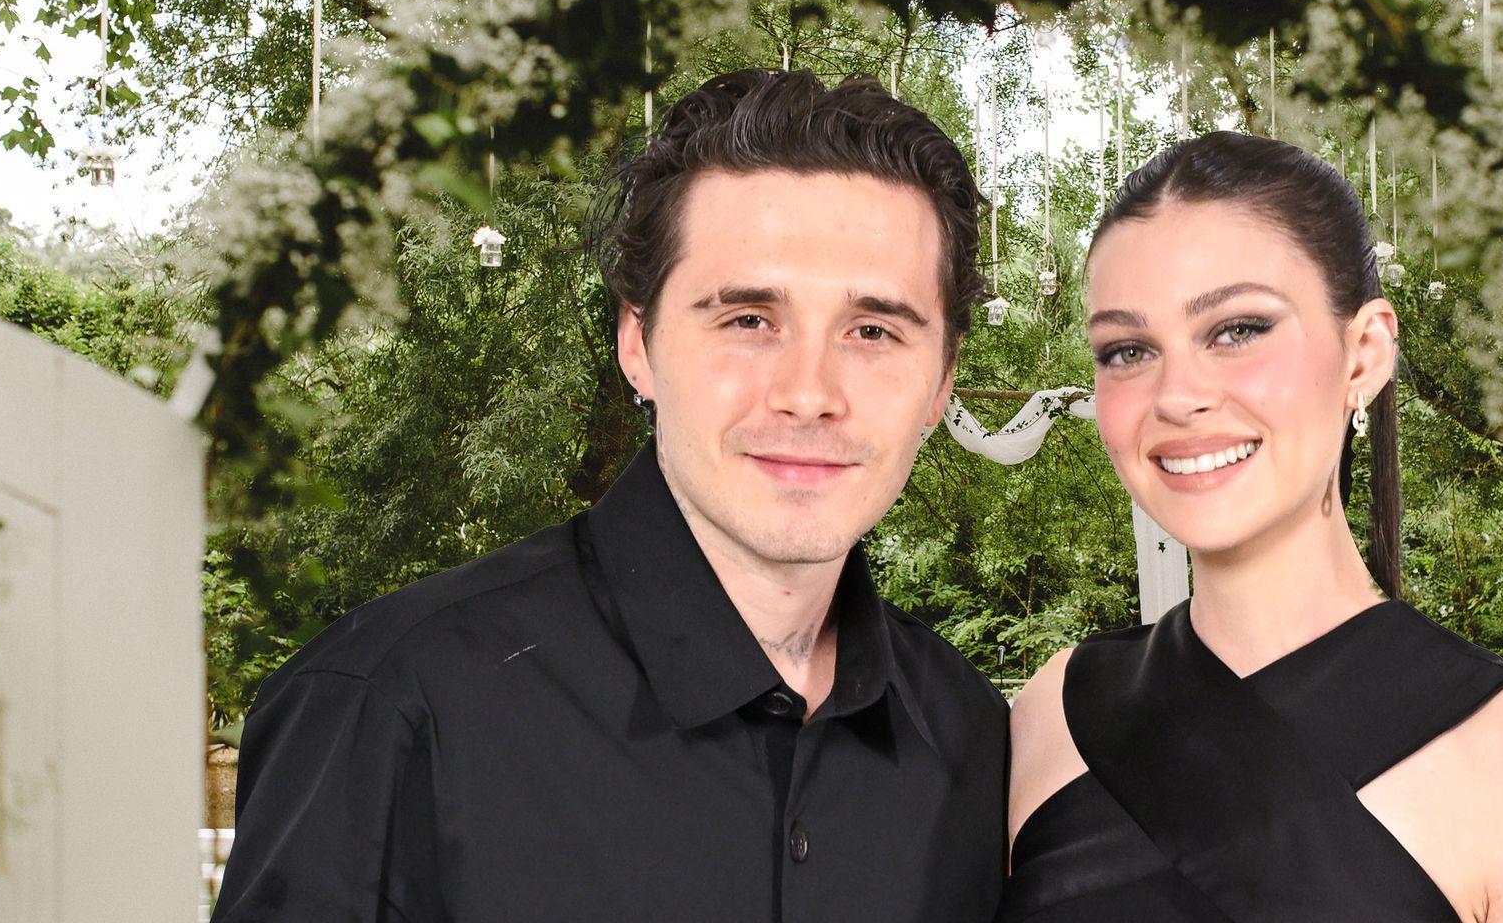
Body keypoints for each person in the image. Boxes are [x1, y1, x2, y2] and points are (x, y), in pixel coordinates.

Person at [213, 69, 1009, 922]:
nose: (808, 393)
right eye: (749, 320)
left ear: (942, 382)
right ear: (638, 344)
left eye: (874, 331)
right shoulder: (392, 706)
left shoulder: (972, 740)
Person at [997, 132, 1503, 923]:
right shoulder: (1055, 708)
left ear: (1364, 354)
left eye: (1237, 330)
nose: (1177, 395)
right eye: (1128, 350)